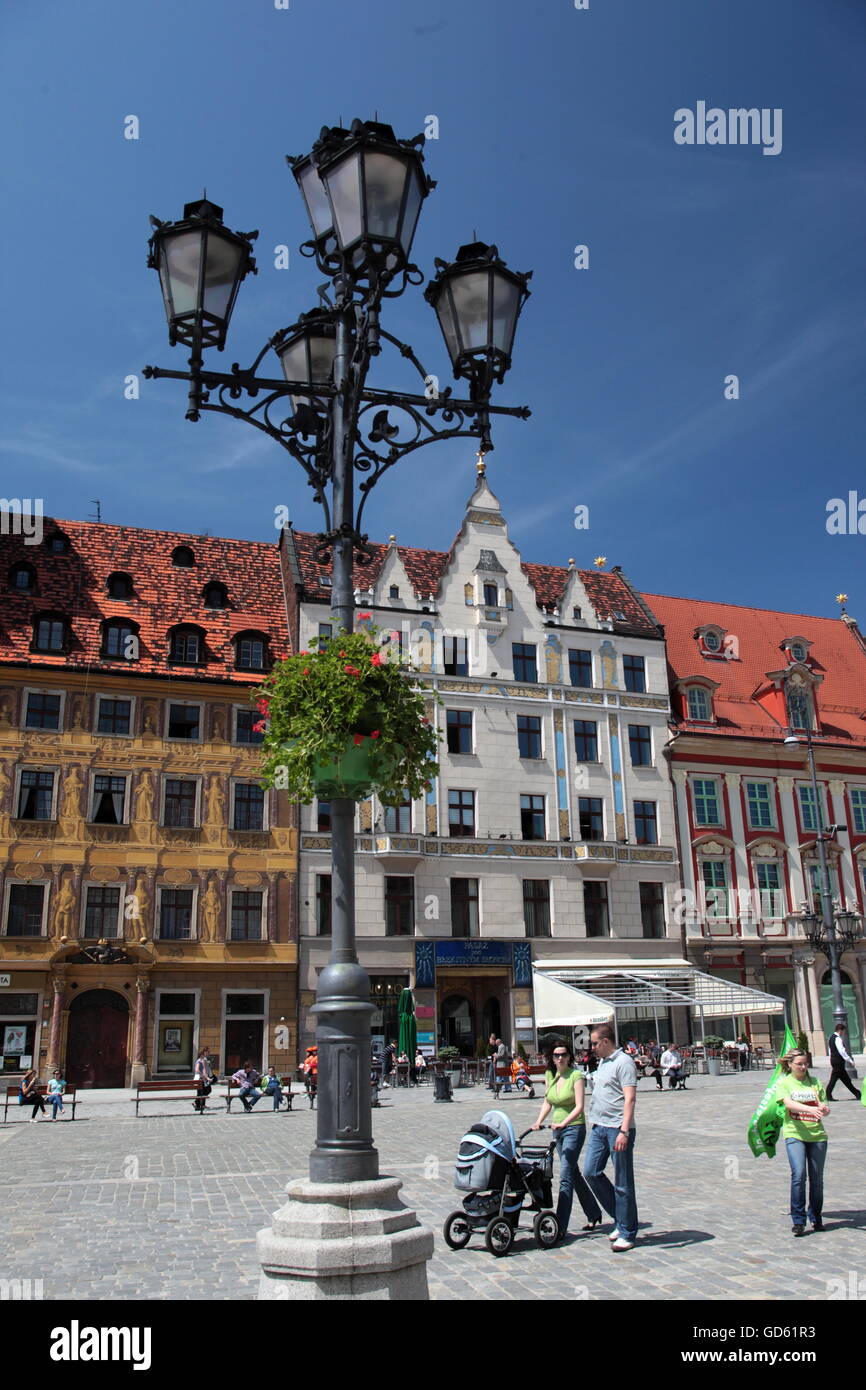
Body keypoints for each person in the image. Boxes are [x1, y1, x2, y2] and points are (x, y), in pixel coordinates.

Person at [531, 1038, 601, 1239]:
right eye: (556, 1055)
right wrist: (537, 1121)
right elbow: (547, 1101)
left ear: (569, 1057)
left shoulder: (576, 1075)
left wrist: (564, 1123)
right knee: (574, 1172)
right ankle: (594, 1212)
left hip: (574, 1128)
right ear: (551, 1058)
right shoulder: (551, 1075)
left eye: (563, 1054)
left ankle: (560, 1225)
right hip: (558, 1130)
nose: (560, 1058)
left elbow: (580, 1106)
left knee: (566, 1176)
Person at [583, 1023, 639, 1252]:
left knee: (623, 1182)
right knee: (590, 1172)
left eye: (595, 1043)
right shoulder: (603, 1062)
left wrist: (624, 1130)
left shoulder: (624, 1062)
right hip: (599, 1126)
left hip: (618, 1128)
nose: (592, 1048)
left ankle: (627, 1232)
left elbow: (630, 1098)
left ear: (606, 1041)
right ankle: (620, 1218)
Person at [775, 1049, 830, 1236]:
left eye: (805, 1063)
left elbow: (824, 1104)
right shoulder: (784, 1083)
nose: (803, 1067)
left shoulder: (814, 1083)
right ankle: (798, 1220)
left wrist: (823, 1109)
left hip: (817, 1135)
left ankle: (816, 1216)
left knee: (817, 1180)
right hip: (795, 1134)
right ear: (790, 1064)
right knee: (798, 1175)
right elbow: (788, 1103)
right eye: (799, 1064)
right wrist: (807, 1109)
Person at [825, 1023, 860, 1100]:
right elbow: (842, 1051)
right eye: (843, 1031)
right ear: (840, 1030)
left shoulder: (831, 1037)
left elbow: (830, 1050)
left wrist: (832, 1058)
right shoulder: (837, 1038)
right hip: (838, 1061)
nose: (844, 1033)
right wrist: (850, 1060)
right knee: (836, 1079)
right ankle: (828, 1095)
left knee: (844, 1079)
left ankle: (857, 1093)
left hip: (834, 1060)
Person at [193, 1046, 215, 1112]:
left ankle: (199, 1104)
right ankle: (197, 1103)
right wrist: (203, 1075)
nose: (208, 1053)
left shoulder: (203, 1061)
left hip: (203, 1079)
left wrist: (207, 1077)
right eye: (207, 1052)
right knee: (204, 1091)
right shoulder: (199, 1061)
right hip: (200, 1079)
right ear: (201, 1055)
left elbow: (205, 1070)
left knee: (203, 1091)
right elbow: (197, 1069)